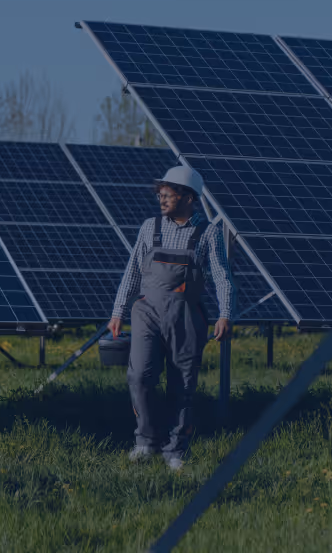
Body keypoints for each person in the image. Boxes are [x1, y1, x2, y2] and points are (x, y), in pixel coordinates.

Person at [108, 166, 235, 471]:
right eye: (160, 193)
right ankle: (146, 441)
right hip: (146, 312)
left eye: (170, 193)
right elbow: (133, 271)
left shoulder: (207, 233)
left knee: (183, 384)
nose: (162, 198)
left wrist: (225, 314)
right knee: (139, 376)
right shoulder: (149, 227)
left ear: (189, 197)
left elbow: (221, 276)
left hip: (185, 315)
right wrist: (118, 311)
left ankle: (175, 450)